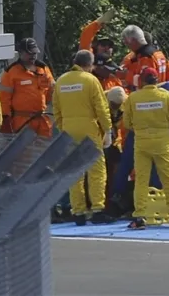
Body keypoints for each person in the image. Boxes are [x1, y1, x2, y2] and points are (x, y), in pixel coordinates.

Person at [54, 50, 113, 225]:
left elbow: (56, 109)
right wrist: (108, 129)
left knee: (74, 171)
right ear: (90, 64)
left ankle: (78, 211)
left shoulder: (61, 81)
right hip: (89, 128)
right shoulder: (91, 80)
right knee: (96, 170)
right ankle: (97, 209)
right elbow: (101, 108)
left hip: (68, 129)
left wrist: (63, 128)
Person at [123, 66, 169, 229]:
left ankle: (139, 217)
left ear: (142, 81)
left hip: (142, 143)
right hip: (162, 142)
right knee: (168, 179)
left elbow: (126, 123)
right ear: (157, 81)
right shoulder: (166, 96)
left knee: (141, 180)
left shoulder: (133, 98)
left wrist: (139, 128)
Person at [0, 38, 55, 137]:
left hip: (42, 120)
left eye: (35, 53)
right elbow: (4, 98)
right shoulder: (11, 72)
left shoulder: (43, 69)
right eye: (30, 53)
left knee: (45, 146)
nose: (33, 56)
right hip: (21, 121)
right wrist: (5, 118)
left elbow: (52, 90)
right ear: (20, 53)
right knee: (23, 146)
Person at [120, 25, 169, 91]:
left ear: (133, 40)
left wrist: (126, 76)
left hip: (151, 94)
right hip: (162, 92)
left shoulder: (145, 57)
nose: (126, 45)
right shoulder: (158, 53)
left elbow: (146, 81)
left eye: (126, 42)